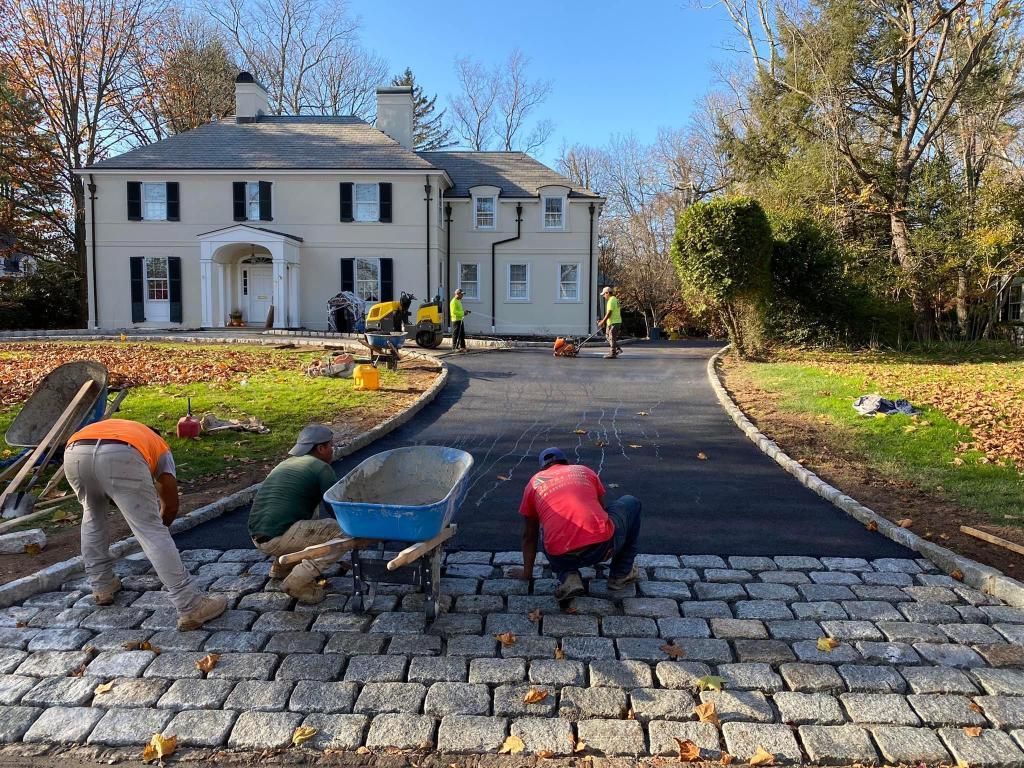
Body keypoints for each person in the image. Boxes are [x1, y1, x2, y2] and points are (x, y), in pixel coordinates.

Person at [64, 419, 226, 630]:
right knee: (150, 530)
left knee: (92, 516)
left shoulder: (122, 427)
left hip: (75, 452)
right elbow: (170, 505)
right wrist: (159, 535)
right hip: (121, 455)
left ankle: (102, 585)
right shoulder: (159, 446)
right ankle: (190, 605)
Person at [512, 447, 642, 601]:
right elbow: (601, 511)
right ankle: (621, 574)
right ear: (566, 463)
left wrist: (527, 574)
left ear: (542, 468)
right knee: (631, 502)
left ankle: (568, 576)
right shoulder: (583, 471)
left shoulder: (533, 485)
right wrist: (607, 543)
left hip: (560, 556)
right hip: (600, 548)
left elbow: (529, 536)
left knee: (543, 528)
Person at [248, 423, 343, 604]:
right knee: (343, 531)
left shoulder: (285, 465)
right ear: (321, 448)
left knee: (306, 514)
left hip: (257, 534)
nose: (333, 450)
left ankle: (282, 568)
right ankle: (298, 580)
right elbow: (336, 506)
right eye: (331, 446)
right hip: (280, 536)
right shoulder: (321, 468)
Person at [597, 286, 622, 359]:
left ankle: (613, 353)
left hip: (614, 322)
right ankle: (617, 349)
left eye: (604, 294)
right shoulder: (615, 299)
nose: (604, 296)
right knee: (608, 336)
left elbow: (609, 313)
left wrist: (602, 322)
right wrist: (605, 322)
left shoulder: (611, 300)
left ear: (607, 293)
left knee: (611, 337)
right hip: (613, 322)